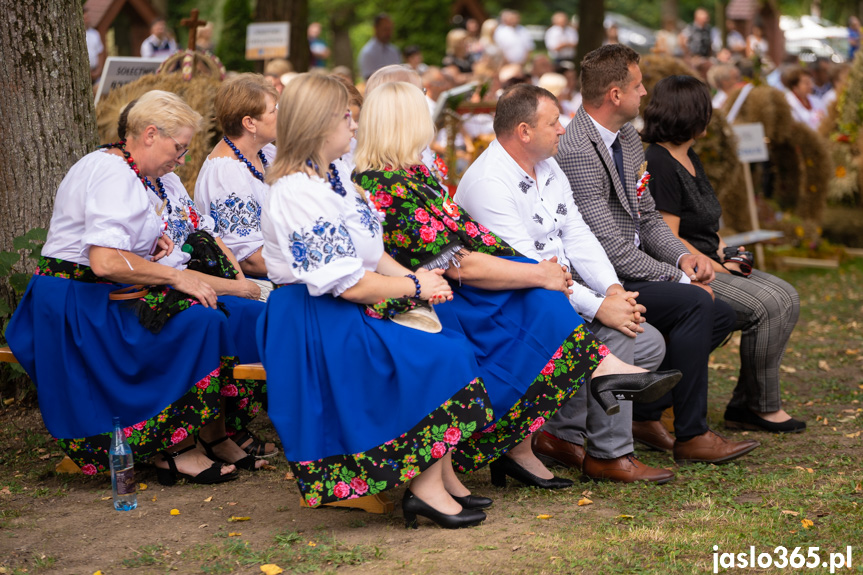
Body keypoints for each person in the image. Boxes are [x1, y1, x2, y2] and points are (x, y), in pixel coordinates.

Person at [354, 81, 682, 488]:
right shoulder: (382, 184)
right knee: (543, 301)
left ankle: (534, 440)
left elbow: (477, 237)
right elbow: (457, 261)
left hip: (459, 284)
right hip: (433, 295)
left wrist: (589, 285)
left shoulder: (415, 173)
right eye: (425, 117)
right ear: (403, 123)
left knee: (553, 303)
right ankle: (591, 398)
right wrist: (539, 273)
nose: (432, 125)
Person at [259, 73, 493, 529]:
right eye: (345, 116)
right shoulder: (296, 192)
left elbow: (372, 254)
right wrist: (416, 288)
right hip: (313, 319)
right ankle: (424, 489)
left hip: (345, 307)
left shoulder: (336, 175)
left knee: (453, 345)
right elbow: (346, 284)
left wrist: (414, 276)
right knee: (437, 357)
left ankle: (439, 478)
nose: (354, 123)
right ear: (317, 125)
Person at [6, 90, 258, 486]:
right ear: (150, 134)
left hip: (97, 295)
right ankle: (172, 449)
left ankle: (197, 438)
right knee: (200, 323)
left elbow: (113, 247)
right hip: (77, 306)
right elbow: (104, 261)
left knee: (208, 317)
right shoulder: (113, 173)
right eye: (179, 148)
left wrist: (151, 246)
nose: (182, 158)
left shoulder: (125, 168)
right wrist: (177, 275)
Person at [456, 84, 674, 484]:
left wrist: (612, 290)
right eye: (553, 122)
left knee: (649, 342)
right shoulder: (490, 182)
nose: (563, 129)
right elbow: (531, 271)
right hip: (512, 310)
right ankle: (611, 455)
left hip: (556, 297)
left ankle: (558, 436)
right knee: (620, 337)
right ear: (524, 131)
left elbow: (577, 233)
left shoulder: (548, 165)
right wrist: (600, 308)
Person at [556, 44, 760, 464]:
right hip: (602, 279)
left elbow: (647, 216)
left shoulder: (628, 138)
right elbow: (608, 246)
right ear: (615, 94)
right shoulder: (577, 148)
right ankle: (692, 435)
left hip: (635, 268)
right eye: (637, 84)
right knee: (697, 304)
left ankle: (646, 414)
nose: (645, 92)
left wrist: (683, 258)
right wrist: (681, 278)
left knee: (721, 313)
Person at [642, 76, 805, 434]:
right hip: (685, 271)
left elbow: (702, 227)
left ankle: (749, 403)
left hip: (711, 260)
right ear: (695, 114)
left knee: (787, 296)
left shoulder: (688, 156)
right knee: (769, 304)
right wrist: (718, 267)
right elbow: (667, 240)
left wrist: (727, 253)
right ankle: (756, 407)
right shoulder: (659, 162)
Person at [195, 74, 278, 285]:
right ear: (249, 123)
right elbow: (250, 260)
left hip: (282, 264)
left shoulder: (265, 152)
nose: (281, 115)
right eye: (273, 110)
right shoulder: (226, 173)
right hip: (253, 281)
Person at [358, 13, 402, 80]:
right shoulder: (367, 53)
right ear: (375, 28)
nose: (388, 32)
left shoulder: (394, 51)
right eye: (385, 29)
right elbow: (369, 79)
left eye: (390, 29)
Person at [782, 66, 825, 131]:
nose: (811, 86)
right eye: (806, 83)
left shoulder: (816, 100)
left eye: (811, 82)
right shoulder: (787, 103)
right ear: (795, 86)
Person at [84, 5, 105, 85]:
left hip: (95, 71)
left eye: (88, 18)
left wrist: (99, 70)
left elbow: (100, 52)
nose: (87, 20)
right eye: (85, 18)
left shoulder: (95, 34)